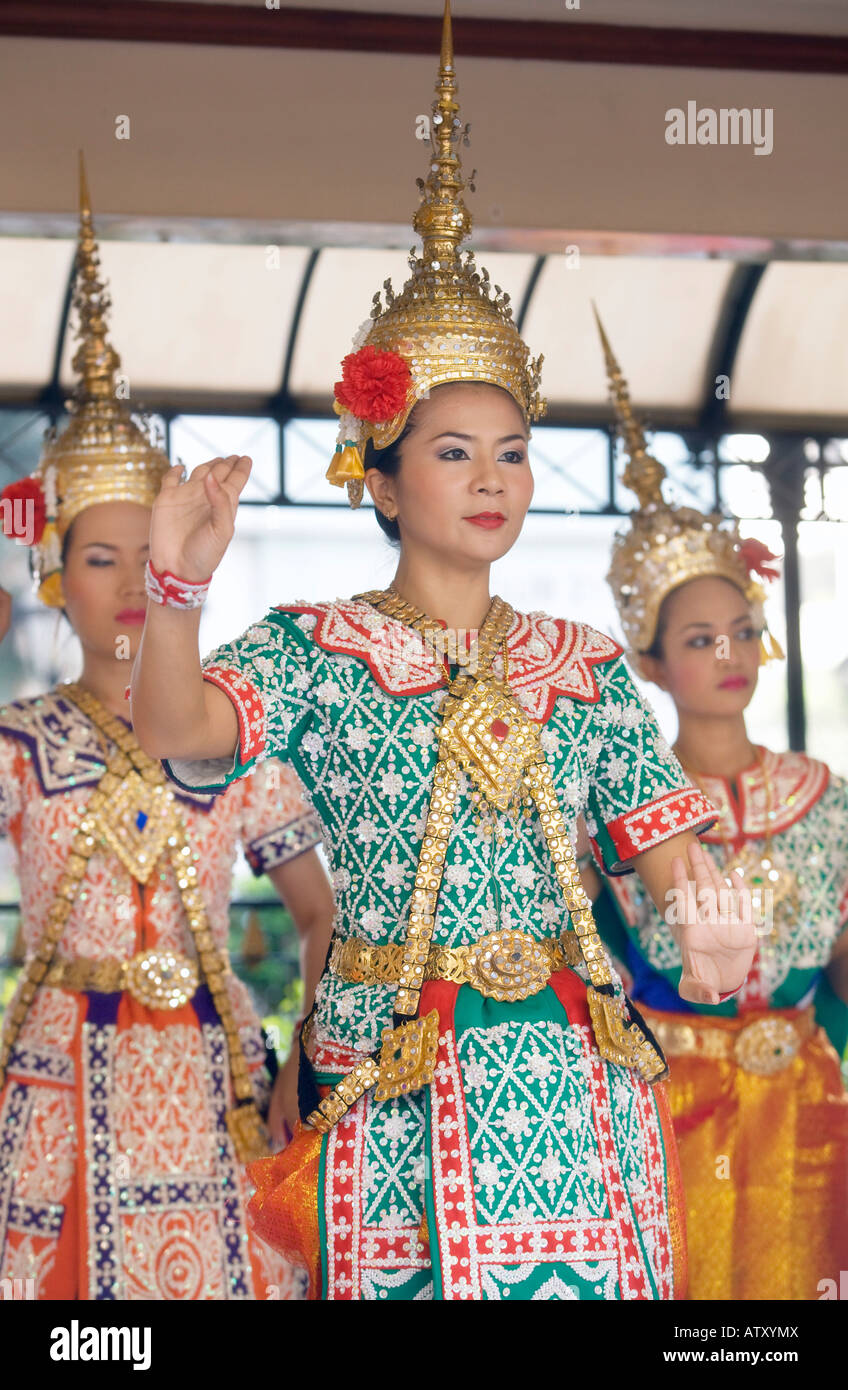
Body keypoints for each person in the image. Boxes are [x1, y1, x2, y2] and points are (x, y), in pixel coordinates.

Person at [131, 1, 756, 1302]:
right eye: (455, 452)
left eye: (514, 451)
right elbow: (180, 732)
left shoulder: (582, 660)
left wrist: (709, 916)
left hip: (571, 1074)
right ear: (383, 476)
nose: (493, 481)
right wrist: (177, 584)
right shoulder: (321, 647)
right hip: (396, 1067)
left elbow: (666, 841)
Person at [0, 165, 334, 1300]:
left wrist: (309, 1053)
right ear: (56, 579)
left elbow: (318, 912)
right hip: (52, 1074)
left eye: (150, 553)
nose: (133, 583)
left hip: (217, 1076)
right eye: (102, 558)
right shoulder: (14, 744)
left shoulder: (237, 736)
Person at [588, 311, 848, 1301]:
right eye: (698, 639)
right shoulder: (612, 808)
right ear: (647, 661)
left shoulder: (822, 797)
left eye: (740, 631)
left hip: (806, 1098)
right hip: (664, 1102)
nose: (729, 655)